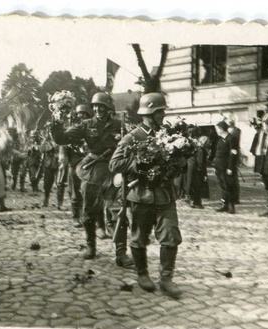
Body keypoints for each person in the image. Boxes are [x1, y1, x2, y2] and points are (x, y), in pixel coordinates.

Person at [109, 92, 182, 298]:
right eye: (160, 112)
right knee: (139, 237)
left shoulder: (169, 135)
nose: (163, 115)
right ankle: (142, 274)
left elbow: (174, 161)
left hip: (165, 195)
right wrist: (136, 163)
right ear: (149, 113)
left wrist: (178, 164)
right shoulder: (132, 137)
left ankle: (166, 279)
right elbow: (114, 163)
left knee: (171, 235)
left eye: (163, 112)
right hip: (141, 195)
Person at [51, 92, 133, 267]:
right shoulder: (86, 125)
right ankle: (91, 246)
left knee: (119, 212)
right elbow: (62, 138)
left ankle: (121, 253)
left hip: (113, 171)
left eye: (101, 106)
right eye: (95, 106)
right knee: (89, 211)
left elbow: (131, 144)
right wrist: (57, 120)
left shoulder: (120, 125)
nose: (97, 109)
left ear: (108, 108)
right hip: (93, 170)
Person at [213, 120, 238, 214]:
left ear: (221, 129)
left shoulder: (231, 139)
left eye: (217, 129)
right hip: (219, 166)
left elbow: (233, 154)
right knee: (222, 185)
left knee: (229, 186)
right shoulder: (220, 139)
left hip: (227, 167)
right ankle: (224, 204)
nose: (216, 131)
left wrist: (230, 168)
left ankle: (231, 205)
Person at [186, 126, 208, 209]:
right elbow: (200, 160)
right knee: (198, 185)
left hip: (190, 167)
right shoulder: (199, 146)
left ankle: (192, 200)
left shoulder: (188, 143)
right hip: (197, 168)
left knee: (191, 183)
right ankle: (196, 202)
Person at [225, 118, 241, 204]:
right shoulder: (237, 130)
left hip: (231, 157)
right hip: (234, 156)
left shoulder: (233, 131)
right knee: (234, 179)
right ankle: (235, 197)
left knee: (233, 179)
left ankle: (234, 198)